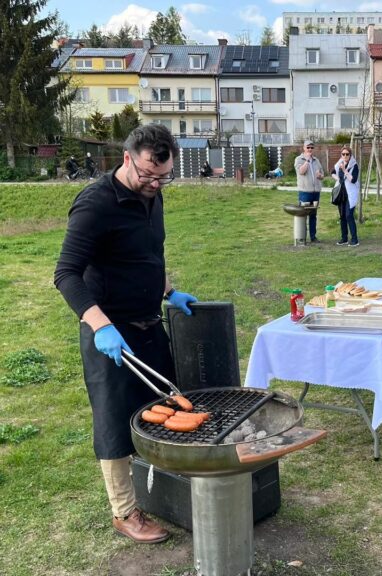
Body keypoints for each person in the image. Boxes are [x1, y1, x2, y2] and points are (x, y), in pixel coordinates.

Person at [54, 125, 198, 544]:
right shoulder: (95, 205)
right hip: (110, 333)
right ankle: (125, 512)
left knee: (165, 405)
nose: (155, 184)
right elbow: (65, 274)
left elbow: (145, 255)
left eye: (164, 176)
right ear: (126, 158)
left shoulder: (152, 195)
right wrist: (101, 326)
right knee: (115, 423)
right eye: (148, 175)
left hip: (149, 322)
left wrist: (168, 290)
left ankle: (164, 486)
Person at [294, 139, 324, 242]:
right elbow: (301, 171)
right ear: (304, 148)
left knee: (313, 215)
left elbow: (322, 174)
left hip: (316, 192)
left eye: (312, 147)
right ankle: (302, 237)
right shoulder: (299, 159)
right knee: (303, 215)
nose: (310, 149)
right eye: (308, 147)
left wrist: (320, 176)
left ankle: (313, 237)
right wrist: (307, 160)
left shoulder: (316, 160)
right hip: (305, 192)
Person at [331, 145, 360, 247]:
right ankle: (344, 238)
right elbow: (332, 172)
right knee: (342, 216)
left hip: (350, 194)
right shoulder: (339, 163)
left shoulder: (354, 165)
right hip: (341, 194)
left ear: (350, 155)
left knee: (349, 215)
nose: (345, 156)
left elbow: (353, 180)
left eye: (347, 154)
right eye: (343, 154)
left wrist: (344, 171)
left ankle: (355, 239)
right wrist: (338, 179)